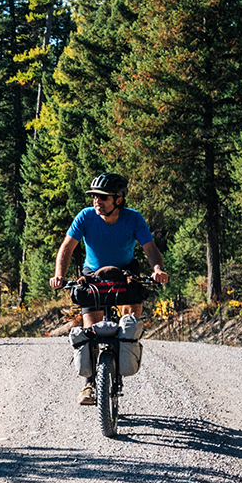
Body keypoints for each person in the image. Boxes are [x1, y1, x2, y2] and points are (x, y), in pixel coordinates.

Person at [48, 173, 168, 404]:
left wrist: (157, 269)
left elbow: (150, 247)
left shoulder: (133, 218)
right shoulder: (85, 217)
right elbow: (67, 248)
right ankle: (89, 385)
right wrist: (59, 276)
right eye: (94, 196)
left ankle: (124, 356)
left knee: (130, 321)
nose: (97, 201)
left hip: (125, 272)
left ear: (118, 200)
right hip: (93, 274)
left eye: (103, 197)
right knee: (90, 330)